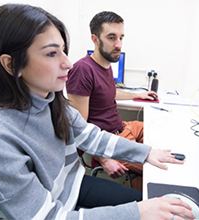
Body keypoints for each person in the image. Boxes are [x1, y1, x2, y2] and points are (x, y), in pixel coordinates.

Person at [0, 4, 195, 220]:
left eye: (63, 50)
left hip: (71, 188)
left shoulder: (47, 99)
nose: (68, 63)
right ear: (11, 64)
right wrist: (138, 213)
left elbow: (88, 134)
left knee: (155, 203)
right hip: (45, 212)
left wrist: (146, 152)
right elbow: (45, 216)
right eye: (51, 53)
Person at [66, 11, 157, 188]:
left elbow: (109, 92)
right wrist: (104, 158)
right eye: (111, 37)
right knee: (158, 165)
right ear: (95, 39)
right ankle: (138, 198)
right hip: (109, 141)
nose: (118, 44)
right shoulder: (83, 70)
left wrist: (137, 95)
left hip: (123, 128)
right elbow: (78, 127)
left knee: (161, 135)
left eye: (121, 37)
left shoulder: (105, 64)